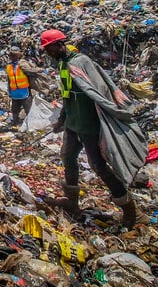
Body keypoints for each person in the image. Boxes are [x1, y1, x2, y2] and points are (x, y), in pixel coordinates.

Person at [39, 29, 148, 228]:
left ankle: (131, 210)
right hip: (74, 122)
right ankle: (72, 201)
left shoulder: (81, 62)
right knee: (68, 157)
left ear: (59, 44)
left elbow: (99, 91)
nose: (47, 53)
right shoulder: (63, 64)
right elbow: (67, 94)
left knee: (98, 165)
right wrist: (62, 119)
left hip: (89, 123)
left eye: (49, 48)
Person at [5, 47, 35, 128]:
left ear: (18, 56)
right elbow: (9, 80)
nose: (12, 57)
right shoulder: (8, 67)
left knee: (28, 109)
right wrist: (9, 91)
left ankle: (30, 124)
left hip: (25, 91)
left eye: (13, 55)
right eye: (11, 56)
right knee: (15, 109)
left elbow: (31, 75)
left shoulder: (22, 65)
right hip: (14, 92)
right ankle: (15, 122)